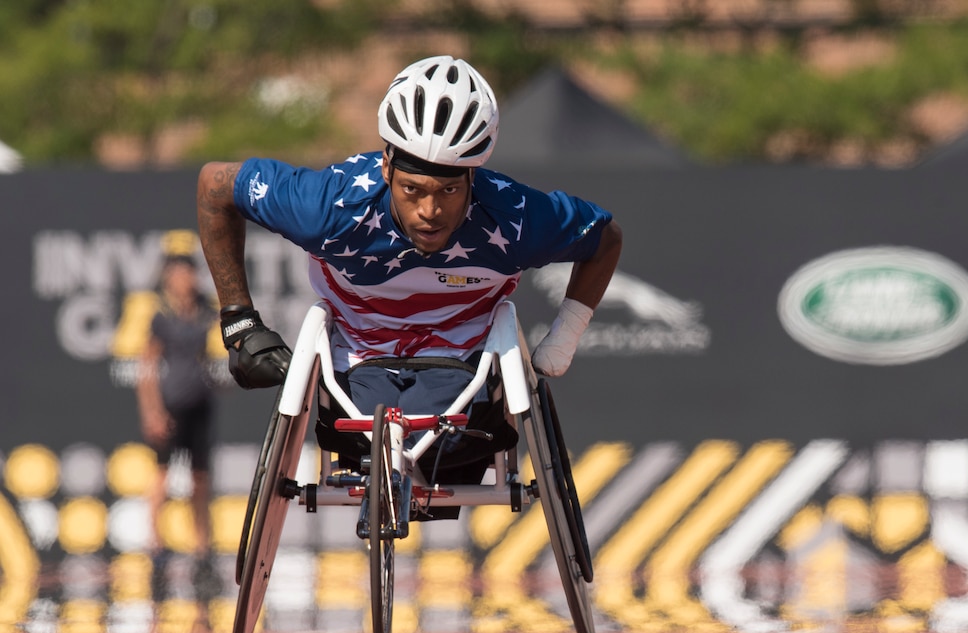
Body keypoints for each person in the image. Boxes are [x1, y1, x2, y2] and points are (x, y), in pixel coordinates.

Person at [196, 55, 622, 497]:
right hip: (358, 362)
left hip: (465, 368)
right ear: (386, 168)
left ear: (473, 179)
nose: (430, 212)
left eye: (450, 191)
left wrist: (565, 336)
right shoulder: (328, 207)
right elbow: (215, 185)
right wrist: (238, 322)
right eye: (411, 189)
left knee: (454, 450)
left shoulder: (512, 216)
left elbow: (605, 237)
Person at [136, 230, 220, 600]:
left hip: (199, 405)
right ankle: (156, 552)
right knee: (161, 481)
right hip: (169, 407)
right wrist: (153, 411)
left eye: (188, 273)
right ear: (168, 279)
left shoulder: (205, 311)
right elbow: (146, 366)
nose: (184, 280)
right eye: (177, 274)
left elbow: (220, 350)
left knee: (201, 482)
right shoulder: (161, 318)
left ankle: (203, 554)